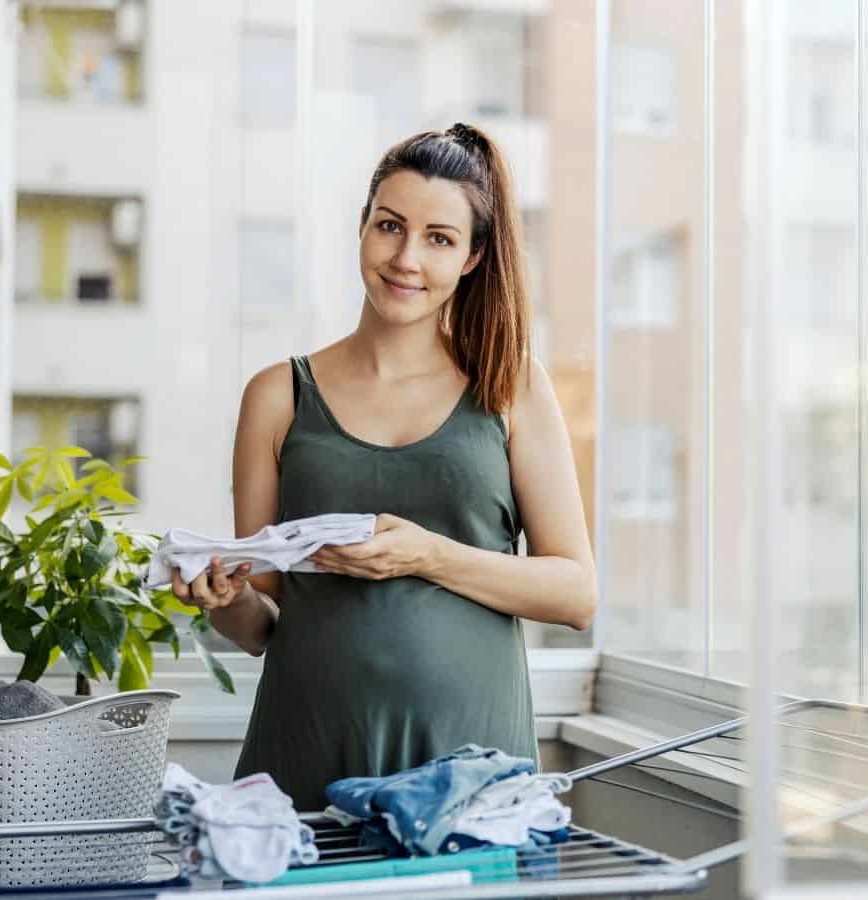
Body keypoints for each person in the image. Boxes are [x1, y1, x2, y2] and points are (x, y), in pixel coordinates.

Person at [171, 123, 597, 810]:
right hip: (306, 755)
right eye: (390, 226)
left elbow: (575, 594)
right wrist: (226, 599)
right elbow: (260, 625)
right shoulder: (278, 396)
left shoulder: (510, 384)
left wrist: (426, 555)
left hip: (472, 769)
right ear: (362, 227)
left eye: (439, 238)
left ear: (472, 258)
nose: (406, 258)